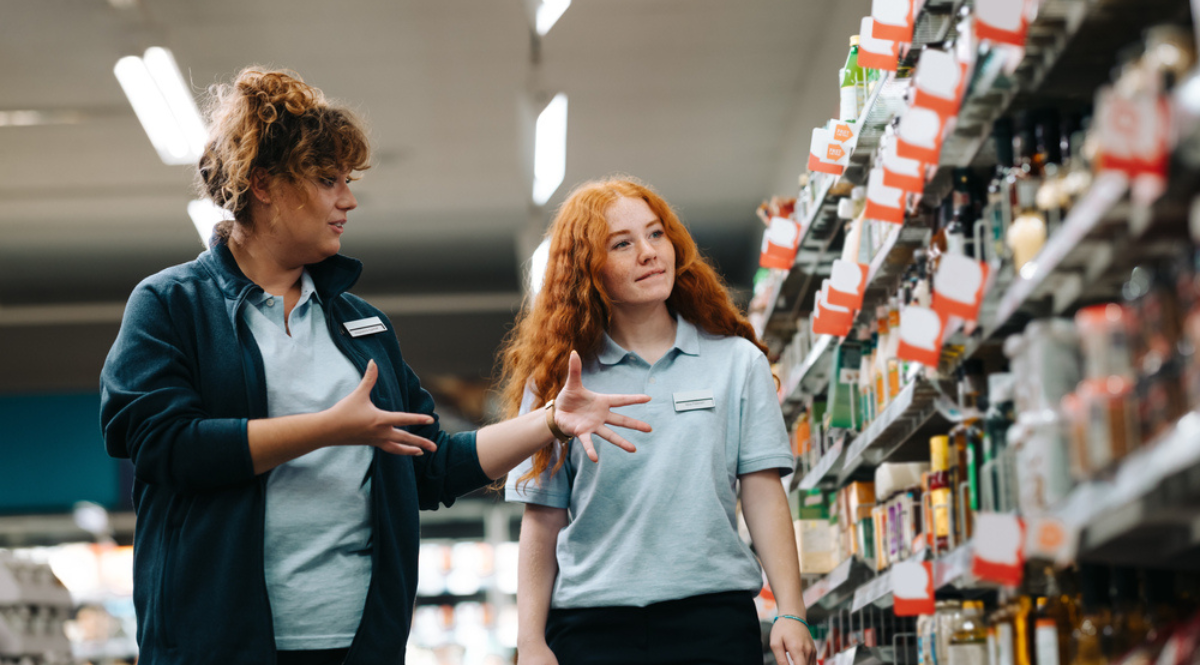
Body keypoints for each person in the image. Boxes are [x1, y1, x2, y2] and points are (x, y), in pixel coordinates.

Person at [99, 69, 650, 665]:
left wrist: (548, 422)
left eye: (348, 181)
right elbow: (161, 445)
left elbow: (429, 466)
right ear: (263, 184)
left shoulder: (361, 325)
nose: (348, 200)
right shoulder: (172, 304)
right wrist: (331, 428)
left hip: (357, 643)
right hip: (217, 642)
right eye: (327, 180)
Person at [500, 177, 817, 665]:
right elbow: (542, 517)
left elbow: (761, 489)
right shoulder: (559, 382)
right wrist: (530, 641)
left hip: (713, 622)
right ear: (589, 271)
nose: (649, 253)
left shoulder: (737, 363)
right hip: (592, 630)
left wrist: (791, 611)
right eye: (622, 244)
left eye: (656, 234)